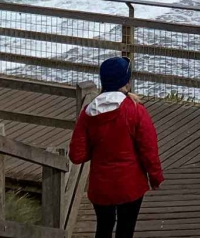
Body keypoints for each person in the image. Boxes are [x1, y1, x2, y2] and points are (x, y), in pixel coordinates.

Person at [68, 57, 163, 238]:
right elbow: (149, 150)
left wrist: (97, 149)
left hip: (101, 185)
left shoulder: (88, 112)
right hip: (130, 184)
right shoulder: (135, 110)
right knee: (125, 230)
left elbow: (76, 155)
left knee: (103, 228)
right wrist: (155, 177)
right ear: (127, 82)